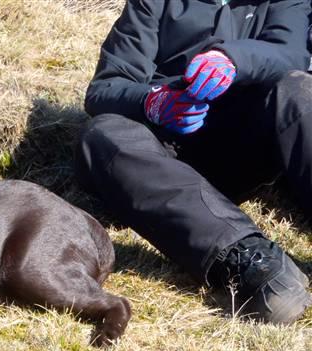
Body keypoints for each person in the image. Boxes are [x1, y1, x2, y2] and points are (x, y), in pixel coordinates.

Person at [77, 0, 312, 324]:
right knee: (100, 135)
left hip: (247, 144)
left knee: (299, 88)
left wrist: (233, 59)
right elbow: (104, 88)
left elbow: (290, 53)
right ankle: (249, 263)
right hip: (164, 154)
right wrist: (153, 102)